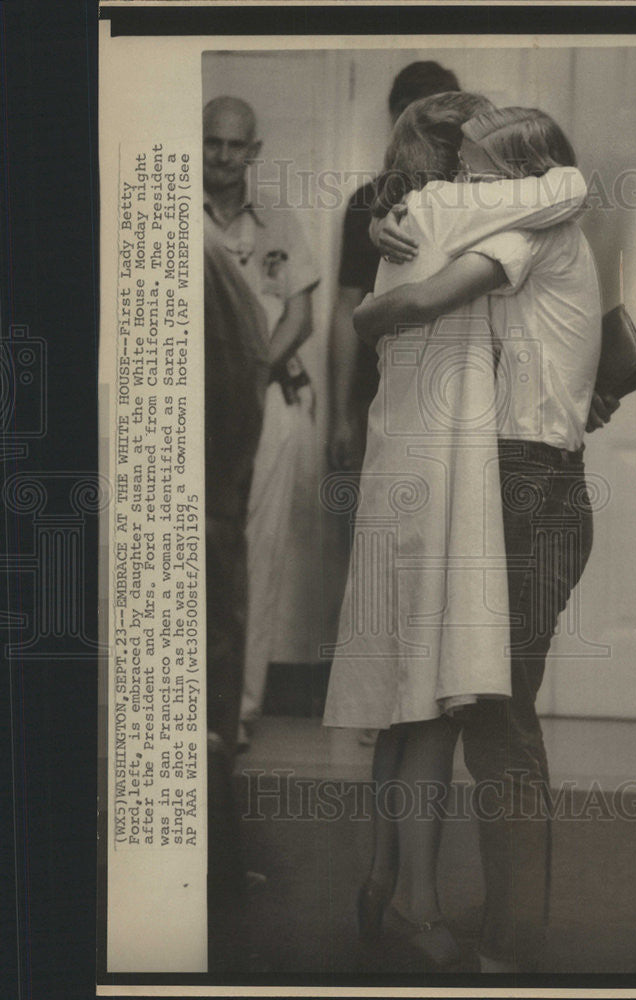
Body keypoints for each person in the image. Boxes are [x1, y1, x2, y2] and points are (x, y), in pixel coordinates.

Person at [322, 92, 591, 970]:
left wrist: (370, 292)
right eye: (466, 156)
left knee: (428, 702)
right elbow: (566, 187)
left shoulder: (437, 219)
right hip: (467, 474)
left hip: (452, 467)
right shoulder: (469, 216)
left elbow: (402, 306)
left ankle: (402, 891)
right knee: (446, 701)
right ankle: (429, 907)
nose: (472, 171)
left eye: (486, 162)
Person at [326, 61, 461, 746]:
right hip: (383, 400)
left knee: (443, 559)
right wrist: (340, 413)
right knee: (379, 556)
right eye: (414, 114)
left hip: (453, 406)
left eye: (439, 116)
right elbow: (348, 309)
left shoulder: (483, 194)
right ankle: (379, 708)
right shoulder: (367, 203)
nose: (425, 132)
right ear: (396, 120)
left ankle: (431, 704)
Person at [201, 96, 321, 748]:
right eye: (210, 143)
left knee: (256, 549)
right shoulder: (172, 215)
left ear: (254, 151)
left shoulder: (277, 221)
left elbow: (300, 317)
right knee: (195, 550)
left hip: (265, 398)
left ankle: (238, 709)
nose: (221, 157)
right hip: (190, 407)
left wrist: (252, 374)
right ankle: (189, 706)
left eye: (233, 145)